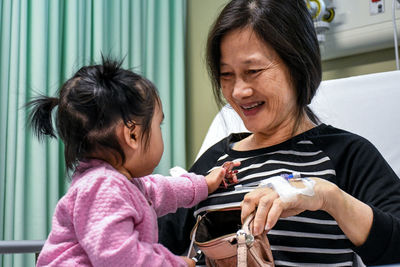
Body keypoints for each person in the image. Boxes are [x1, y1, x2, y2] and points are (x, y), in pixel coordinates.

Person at [158, 0, 400, 266]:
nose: (238, 92)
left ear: (297, 65)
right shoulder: (214, 163)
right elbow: (146, 245)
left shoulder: (346, 154)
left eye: (253, 71)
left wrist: (327, 197)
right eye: (226, 75)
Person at [27, 58, 240, 267]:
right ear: (133, 136)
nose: (160, 132)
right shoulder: (102, 188)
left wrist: (205, 184)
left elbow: (161, 189)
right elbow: (122, 259)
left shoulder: (120, 183)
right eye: (159, 125)